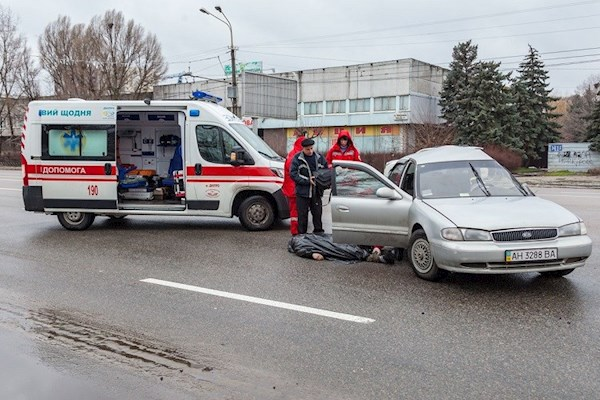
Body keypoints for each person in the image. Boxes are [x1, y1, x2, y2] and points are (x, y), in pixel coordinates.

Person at [290, 138, 328, 235]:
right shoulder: (297, 159)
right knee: (302, 217)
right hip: (302, 194)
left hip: (316, 193)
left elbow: (326, 171)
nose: (310, 151)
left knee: (317, 215)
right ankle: (302, 237)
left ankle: (319, 236)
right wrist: (307, 181)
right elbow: (293, 174)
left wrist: (322, 181)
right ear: (303, 148)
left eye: (311, 148)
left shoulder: (319, 158)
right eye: (307, 149)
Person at [282, 133, 306, 235]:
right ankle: (295, 232)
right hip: (293, 189)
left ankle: (297, 231)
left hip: (292, 188)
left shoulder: (293, 154)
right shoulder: (295, 157)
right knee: (295, 212)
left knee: (296, 211)